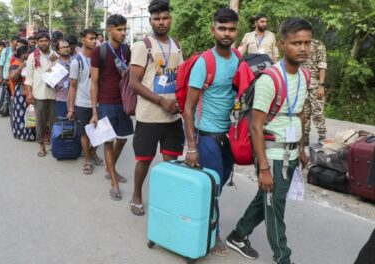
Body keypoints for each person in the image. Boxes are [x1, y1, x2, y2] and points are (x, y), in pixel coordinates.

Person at [225, 18, 312, 264]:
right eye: (296, 43)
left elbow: (301, 112)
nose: (302, 48)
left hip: (292, 151)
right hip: (273, 154)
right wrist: (263, 168)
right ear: (283, 45)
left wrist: (302, 148)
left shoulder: (305, 75)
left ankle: (238, 235)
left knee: (267, 199)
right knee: (275, 209)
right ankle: (283, 258)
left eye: (307, 42)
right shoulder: (269, 79)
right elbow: (255, 125)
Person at [183, 7, 239, 256]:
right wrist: (192, 147)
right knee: (212, 188)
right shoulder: (204, 62)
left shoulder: (238, 58)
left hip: (229, 137)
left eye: (232, 29)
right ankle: (211, 235)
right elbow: (188, 109)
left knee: (218, 185)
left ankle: (202, 221)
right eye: (222, 28)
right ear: (213, 29)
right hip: (207, 136)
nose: (227, 33)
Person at [129, 0, 184, 216]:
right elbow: (134, 83)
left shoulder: (177, 45)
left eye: (165, 18)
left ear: (170, 18)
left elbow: (180, 76)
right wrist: (162, 101)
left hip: (173, 117)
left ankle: (166, 201)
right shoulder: (143, 46)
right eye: (156, 19)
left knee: (171, 162)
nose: (161, 22)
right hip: (149, 116)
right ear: (150, 20)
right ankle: (136, 195)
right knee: (144, 160)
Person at [90, 14, 133, 201]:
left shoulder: (126, 50)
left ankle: (110, 168)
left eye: (125, 29)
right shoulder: (99, 52)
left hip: (123, 103)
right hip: (106, 103)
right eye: (119, 29)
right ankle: (114, 182)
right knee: (108, 141)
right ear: (109, 30)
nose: (123, 33)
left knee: (122, 139)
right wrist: (94, 111)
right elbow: (94, 83)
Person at [68, 28, 103, 175]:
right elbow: (73, 87)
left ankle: (93, 152)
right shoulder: (77, 62)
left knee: (100, 132)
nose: (94, 41)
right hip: (82, 103)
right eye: (91, 38)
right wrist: (71, 108)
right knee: (84, 133)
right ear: (83, 40)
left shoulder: (100, 58)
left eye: (95, 38)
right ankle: (88, 159)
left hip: (100, 102)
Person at [24, 32, 59, 157]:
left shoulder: (55, 55)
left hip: (54, 93)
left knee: (54, 121)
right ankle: (41, 145)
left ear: (49, 42)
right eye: (41, 41)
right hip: (38, 93)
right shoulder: (33, 57)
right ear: (37, 43)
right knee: (41, 122)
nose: (44, 43)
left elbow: (60, 72)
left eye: (46, 40)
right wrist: (29, 94)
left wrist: (55, 63)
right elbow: (28, 78)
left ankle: (55, 145)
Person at [302, 38, 327, 144]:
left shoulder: (318, 44)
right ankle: (304, 137)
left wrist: (321, 85)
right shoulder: (297, 43)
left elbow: (322, 65)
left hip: (315, 84)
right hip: (301, 84)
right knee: (303, 113)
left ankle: (322, 136)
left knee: (318, 112)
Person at [9, 46, 36, 141]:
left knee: (30, 111)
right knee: (21, 112)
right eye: (28, 53)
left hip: (29, 88)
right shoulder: (15, 64)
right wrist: (22, 66)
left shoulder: (30, 63)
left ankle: (30, 133)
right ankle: (22, 133)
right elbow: (13, 77)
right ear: (23, 54)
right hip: (20, 90)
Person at [54, 39, 72, 118]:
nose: (66, 49)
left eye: (67, 47)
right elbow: (48, 82)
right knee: (62, 124)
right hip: (61, 99)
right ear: (58, 51)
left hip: (76, 99)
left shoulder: (76, 61)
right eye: (63, 47)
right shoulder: (54, 64)